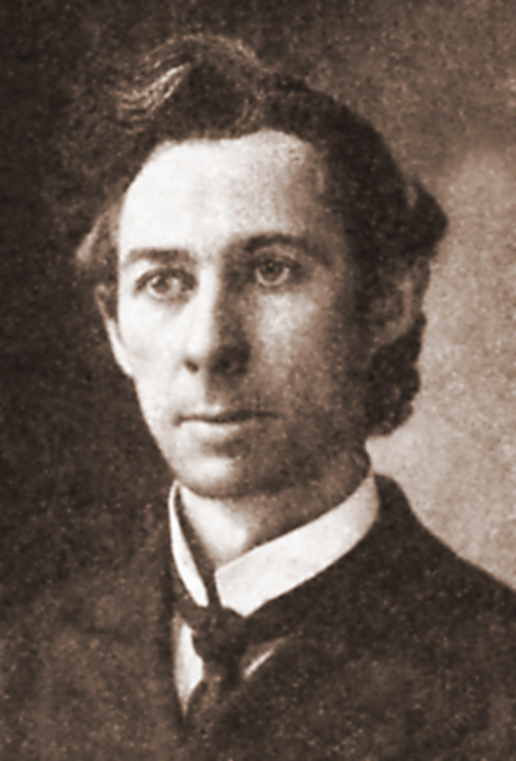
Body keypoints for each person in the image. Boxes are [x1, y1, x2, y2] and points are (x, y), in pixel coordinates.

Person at [2, 34, 515, 760]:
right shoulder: (23, 670)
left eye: (273, 270)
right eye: (164, 281)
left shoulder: (496, 676)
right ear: (114, 327)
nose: (210, 345)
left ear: (387, 303)